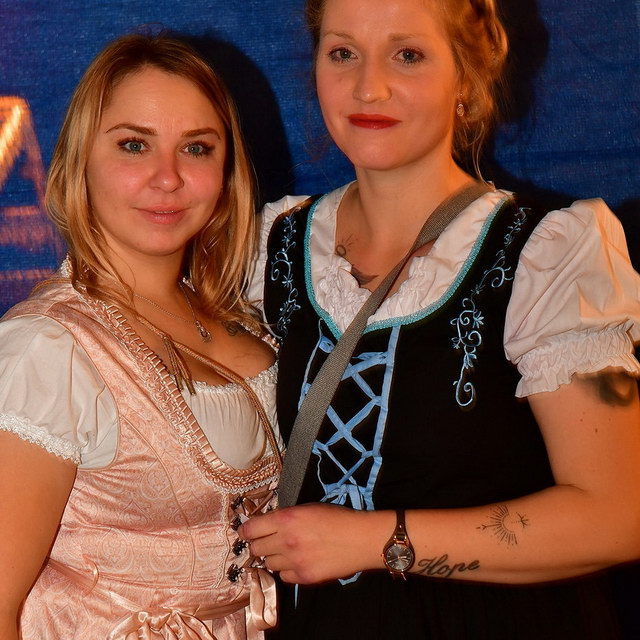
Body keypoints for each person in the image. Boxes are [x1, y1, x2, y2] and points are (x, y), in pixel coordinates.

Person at [241, 0, 640, 638]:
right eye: (343, 53)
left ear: (467, 77)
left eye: (408, 55)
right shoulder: (271, 246)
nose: (368, 87)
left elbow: (618, 517)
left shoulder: (544, 253)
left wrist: (373, 541)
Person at [0, 34, 282, 640]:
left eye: (197, 148)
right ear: (81, 160)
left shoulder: (247, 317)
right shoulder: (48, 351)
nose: (168, 178)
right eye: (134, 145)